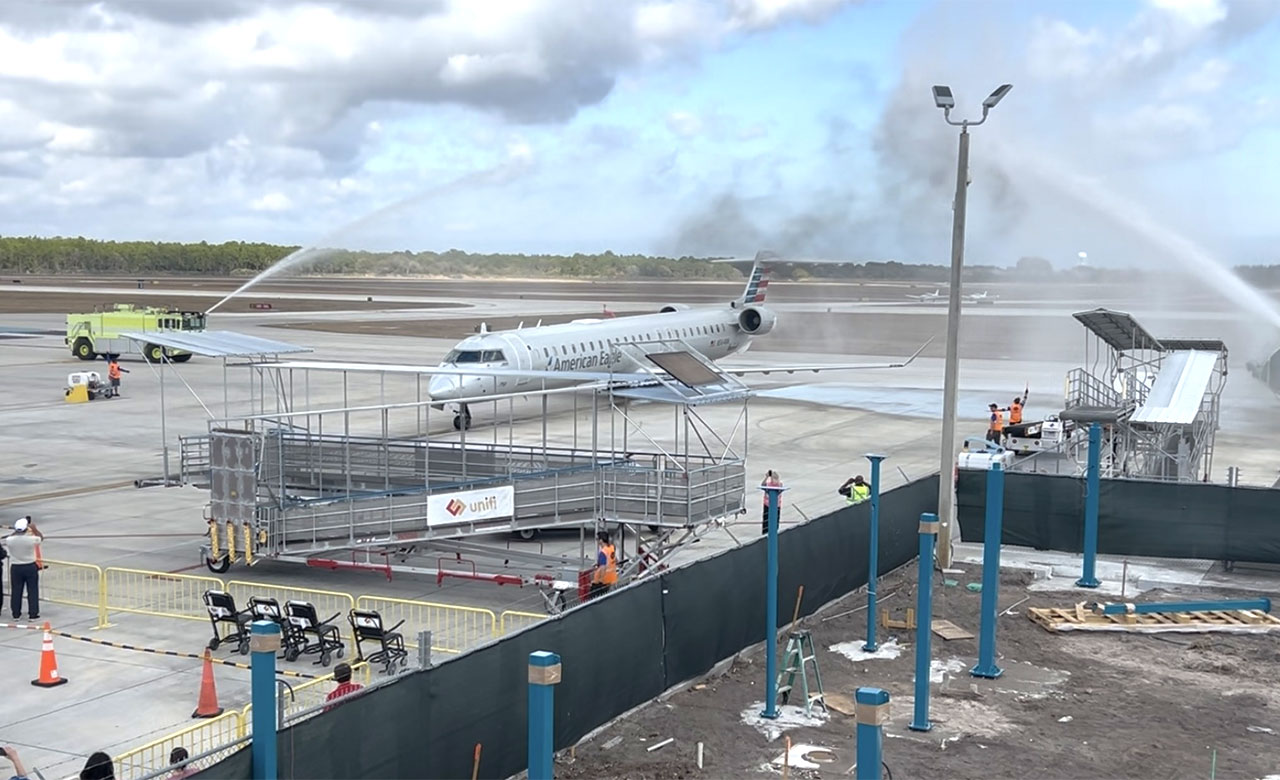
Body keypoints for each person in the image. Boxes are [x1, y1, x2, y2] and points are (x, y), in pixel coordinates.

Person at [3, 517, 43, 620]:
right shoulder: (31, 540)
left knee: (16, 591)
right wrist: (34, 529)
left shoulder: (9, 540)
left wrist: (16, 531)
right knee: (32, 590)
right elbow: (40, 538)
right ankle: (33, 614)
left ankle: (16, 614)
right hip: (30, 566)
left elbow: (11, 537)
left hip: (16, 567)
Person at [588, 532, 617, 599]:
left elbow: (603, 567)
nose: (597, 541)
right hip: (612, 578)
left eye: (597, 539)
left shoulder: (603, 552)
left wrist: (599, 581)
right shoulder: (611, 548)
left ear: (601, 540)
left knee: (593, 599)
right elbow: (612, 560)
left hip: (603, 581)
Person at [760, 470, 782, 534]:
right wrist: (766, 477)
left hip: (776, 505)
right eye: (773, 479)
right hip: (767, 505)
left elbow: (780, 487)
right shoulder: (769, 484)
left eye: (775, 479)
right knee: (766, 520)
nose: (774, 480)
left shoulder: (779, 485)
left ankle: (774, 531)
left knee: (775, 520)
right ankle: (765, 532)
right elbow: (762, 485)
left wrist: (777, 480)